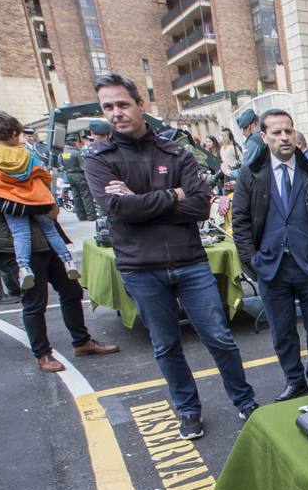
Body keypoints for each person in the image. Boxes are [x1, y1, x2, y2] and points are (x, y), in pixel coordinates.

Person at [85, 72, 257, 439]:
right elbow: (117, 209)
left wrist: (139, 198)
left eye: (122, 104)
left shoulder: (175, 151)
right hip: (140, 269)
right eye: (108, 107)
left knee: (220, 337)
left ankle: (244, 401)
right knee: (166, 346)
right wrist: (170, 195)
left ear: (139, 105)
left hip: (191, 262)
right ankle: (188, 410)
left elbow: (198, 206)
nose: (116, 113)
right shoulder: (99, 159)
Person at [0, 132, 119, 372]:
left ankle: (82, 342)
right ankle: (43, 354)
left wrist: (44, 200)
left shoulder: (14, 161)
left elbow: (38, 185)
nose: (17, 143)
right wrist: (41, 203)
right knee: (34, 301)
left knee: (71, 290)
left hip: (46, 238)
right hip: (17, 243)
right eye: (12, 139)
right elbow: (0, 203)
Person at [232, 109, 308, 401]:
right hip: (270, 266)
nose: (284, 137)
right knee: (282, 331)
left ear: (295, 134)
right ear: (264, 136)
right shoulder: (251, 174)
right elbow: (240, 221)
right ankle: (294, 380)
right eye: (277, 132)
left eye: (288, 131)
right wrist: (252, 260)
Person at [0, 111, 79, 291]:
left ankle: (24, 267)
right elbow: (44, 174)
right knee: (50, 231)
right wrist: (47, 197)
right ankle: (69, 262)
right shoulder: (25, 153)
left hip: (11, 202)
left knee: (21, 234)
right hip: (37, 201)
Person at [59, 133, 98, 222]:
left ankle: (81, 215)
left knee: (76, 195)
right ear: (75, 142)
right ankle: (91, 215)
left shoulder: (64, 153)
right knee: (86, 195)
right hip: (79, 175)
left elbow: (62, 164)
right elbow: (83, 166)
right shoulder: (77, 153)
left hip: (69, 175)